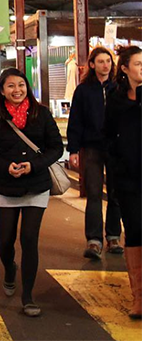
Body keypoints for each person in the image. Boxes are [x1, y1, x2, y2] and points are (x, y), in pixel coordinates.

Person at [0, 67, 63, 318]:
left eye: (21, 85)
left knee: (29, 239)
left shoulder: (42, 114)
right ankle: (9, 268)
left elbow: (56, 148)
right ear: (2, 91)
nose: (17, 90)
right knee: (5, 242)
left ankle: (28, 296)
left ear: (27, 87)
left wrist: (34, 165)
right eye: (11, 86)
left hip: (37, 185)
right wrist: (5, 166)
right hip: (6, 186)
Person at [67, 46, 122, 259]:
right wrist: (73, 150)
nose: (105, 65)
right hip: (91, 147)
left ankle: (114, 236)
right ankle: (94, 240)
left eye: (108, 61)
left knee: (116, 194)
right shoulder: (83, 90)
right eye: (100, 61)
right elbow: (76, 121)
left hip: (116, 148)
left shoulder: (119, 88)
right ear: (92, 64)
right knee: (94, 193)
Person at [104, 46, 142, 319]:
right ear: (125, 68)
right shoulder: (115, 100)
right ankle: (139, 298)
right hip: (128, 179)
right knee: (136, 232)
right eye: (138, 64)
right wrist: (116, 167)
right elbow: (108, 137)